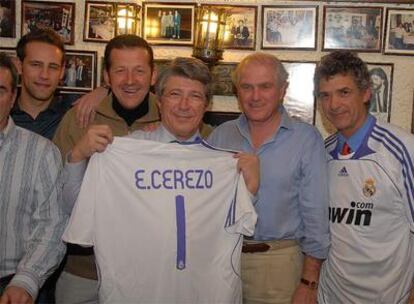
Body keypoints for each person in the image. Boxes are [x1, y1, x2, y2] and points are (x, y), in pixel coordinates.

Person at [60, 57, 259, 303]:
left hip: (201, 293)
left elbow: (237, 226)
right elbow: (74, 208)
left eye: (195, 96)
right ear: (160, 101)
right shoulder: (124, 152)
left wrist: (248, 188)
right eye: (175, 94)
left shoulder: (225, 161)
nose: (184, 105)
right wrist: (78, 156)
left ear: (206, 105)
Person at [207, 52, 330, 304]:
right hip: (221, 261)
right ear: (236, 91)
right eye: (247, 87)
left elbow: (316, 217)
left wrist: (309, 282)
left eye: (265, 87)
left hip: (278, 265)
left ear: (283, 90)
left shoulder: (306, 139)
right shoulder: (220, 136)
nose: (255, 96)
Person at [53, 34, 161, 304]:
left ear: (153, 75)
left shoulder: (172, 119)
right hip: (84, 272)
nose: (130, 80)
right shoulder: (78, 118)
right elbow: (51, 194)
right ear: (106, 76)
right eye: (120, 71)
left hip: (150, 273)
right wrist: (78, 152)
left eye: (139, 71)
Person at [314, 50, 414, 303]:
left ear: (367, 93)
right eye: (325, 95)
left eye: (344, 92)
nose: (333, 105)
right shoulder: (322, 152)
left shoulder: (403, 149)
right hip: (330, 296)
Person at [0, 52, 67, 304]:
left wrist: (25, 280)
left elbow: (53, 224)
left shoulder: (42, 152)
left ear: (12, 97)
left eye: (0, 90)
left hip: (13, 287)